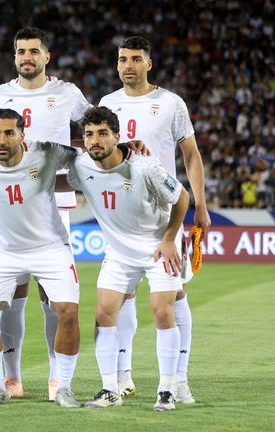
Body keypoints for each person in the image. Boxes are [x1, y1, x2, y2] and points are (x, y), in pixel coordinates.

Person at [0, 26, 91, 400]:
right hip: (12, 202)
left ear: (47, 57)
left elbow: (93, 128)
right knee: (13, 292)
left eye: (33, 51)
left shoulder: (67, 93)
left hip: (54, 201)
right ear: (14, 57)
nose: (27, 57)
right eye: (20, 51)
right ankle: (11, 377)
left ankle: (56, 376)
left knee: (52, 295)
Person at [99, 36, 210, 402]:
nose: (127, 65)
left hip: (165, 216)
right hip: (122, 216)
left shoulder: (170, 103)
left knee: (175, 294)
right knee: (121, 295)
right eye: (122, 59)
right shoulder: (107, 104)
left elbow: (190, 155)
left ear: (149, 63)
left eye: (135, 59)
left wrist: (201, 204)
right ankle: (124, 376)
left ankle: (179, 380)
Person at [0, 108, 82, 408]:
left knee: (67, 312)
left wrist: (125, 148)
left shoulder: (46, 153)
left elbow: (85, 154)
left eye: (10, 133)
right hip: (5, 250)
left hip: (51, 248)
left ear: (23, 135)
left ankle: (64, 387)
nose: (2, 140)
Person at [68, 106, 189, 411]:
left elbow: (182, 197)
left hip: (157, 247)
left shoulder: (145, 167)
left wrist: (170, 238)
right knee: (103, 313)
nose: (95, 140)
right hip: (120, 253)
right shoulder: (81, 166)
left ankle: (167, 389)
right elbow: (58, 177)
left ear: (117, 137)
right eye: (89, 134)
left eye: (102, 134)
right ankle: (110, 388)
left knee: (162, 311)